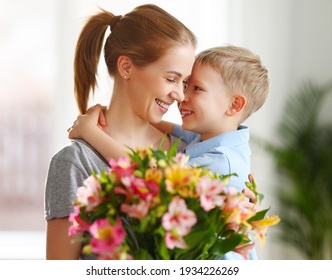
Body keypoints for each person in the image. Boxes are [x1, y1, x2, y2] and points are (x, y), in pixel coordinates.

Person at [68, 45, 268, 259]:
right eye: (185, 84)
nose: (182, 96)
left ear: (234, 104)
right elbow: (170, 127)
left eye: (197, 88)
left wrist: (91, 132)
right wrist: (112, 113)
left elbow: (150, 175)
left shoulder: (220, 161)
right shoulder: (215, 136)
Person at [45, 4, 197, 260]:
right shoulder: (75, 163)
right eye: (171, 79)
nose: (180, 95)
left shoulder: (187, 150)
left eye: (185, 82)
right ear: (126, 67)